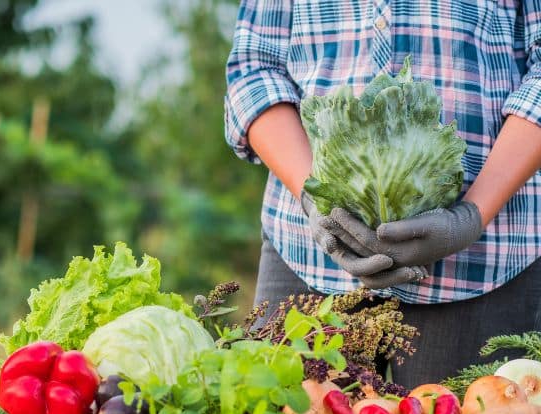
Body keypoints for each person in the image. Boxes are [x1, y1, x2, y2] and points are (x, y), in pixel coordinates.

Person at [224, 0, 541, 387]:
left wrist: (472, 215)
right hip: (309, 255)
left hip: (482, 259)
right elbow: (255, 67)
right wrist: (312, 195)